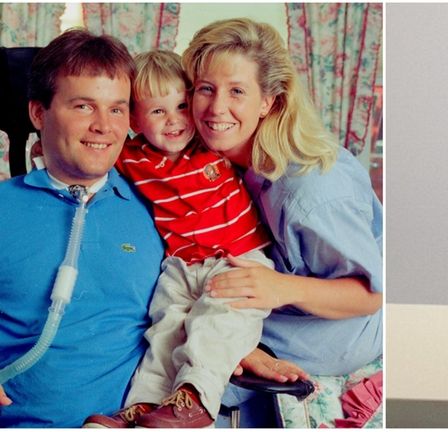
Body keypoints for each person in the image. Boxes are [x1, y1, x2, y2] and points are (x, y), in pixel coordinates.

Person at [181, 18, 383, 424]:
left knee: (187, 341)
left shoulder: (312, 192)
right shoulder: (230, 159)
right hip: (282, 305)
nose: (217, 108)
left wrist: (279, 288)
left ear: (268, 102)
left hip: (344, 329)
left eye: (237, 91)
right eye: (206, 88)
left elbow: (370, 295)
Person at [82, 50, 278, 429]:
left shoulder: (211, 143)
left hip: (238, 260)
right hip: (181, 264)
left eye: (182, 106)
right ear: (135, 119)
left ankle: (197, 398)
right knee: (165, 329)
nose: (174, 121)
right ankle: (146, 406)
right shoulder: (131, 156)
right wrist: (42, 149)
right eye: (157, 112)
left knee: (214, 321)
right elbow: (92, 152)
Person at [0, 29, 164, 427]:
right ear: (39, 113)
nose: (104, 127)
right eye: (83, 106)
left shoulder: (159, 209)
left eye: (117, 109)